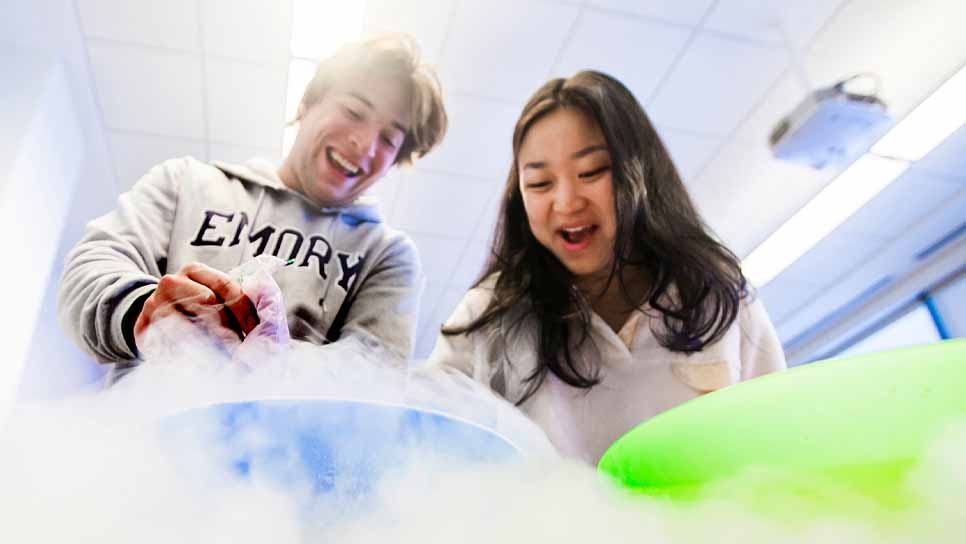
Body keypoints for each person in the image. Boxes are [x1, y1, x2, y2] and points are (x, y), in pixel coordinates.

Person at [427, 71, 785, 464]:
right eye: (540, 183)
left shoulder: (718, 295)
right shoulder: (489, 316)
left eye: (591, 172)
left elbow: (778, 443)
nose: (567, 202)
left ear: (641, 172)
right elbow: (425, 450)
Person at [58, 35, 447, 380]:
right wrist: (145, 312)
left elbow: (375, 379)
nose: (364, 144)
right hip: (143, 434)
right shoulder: (185, 183)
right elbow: (90, 269)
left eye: (389, 139)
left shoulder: (388, 256)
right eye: (354, 112)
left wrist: (276, 362)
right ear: (308, 102)